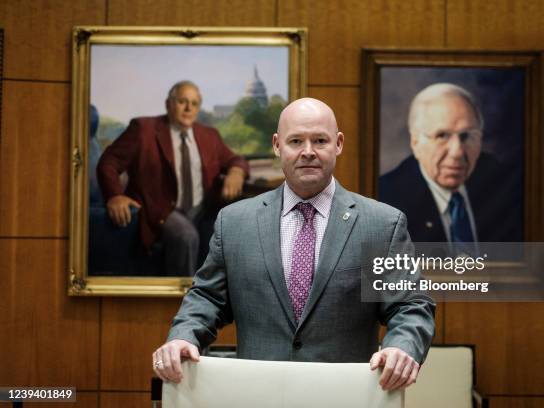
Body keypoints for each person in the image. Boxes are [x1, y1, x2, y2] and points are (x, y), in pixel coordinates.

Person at [152, 98, 435, 391]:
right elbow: (208, 297)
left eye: (320, 140)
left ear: (338, 144)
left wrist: (403, 347)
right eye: (296, 140)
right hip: (258, 395)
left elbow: (410, 305)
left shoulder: (381, 225)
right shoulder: (234, 222)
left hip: (344, 397)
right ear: (277, 145)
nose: (308, 152)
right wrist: (183, 336)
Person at [97, 81, 249, 276]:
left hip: (202, 209)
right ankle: (184, 302)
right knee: (186, 236)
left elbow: (235, 159)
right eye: (182, 101)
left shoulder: (209, 135)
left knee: (231, 231)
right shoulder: (143, 130)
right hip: (160, 208)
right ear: (168, 104)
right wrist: (114, 196)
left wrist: (236, 171)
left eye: (194, 104)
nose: (188, 108)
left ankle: (215, 300)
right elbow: (109, 162)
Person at [379, 83, 522, 247]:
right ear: (416, 143)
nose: (457, 152)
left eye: (466, 136)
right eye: (442, 136)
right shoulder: (385, 202)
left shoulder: (506, 186)